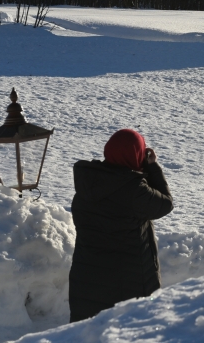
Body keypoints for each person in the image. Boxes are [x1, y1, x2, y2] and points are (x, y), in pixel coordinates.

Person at [68, 128, 174, 323]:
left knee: (86, 335)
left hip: (86, 282)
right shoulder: (134, 191)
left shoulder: (87, 186)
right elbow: (165, 204)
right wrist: (152, 168)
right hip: (127, 285)